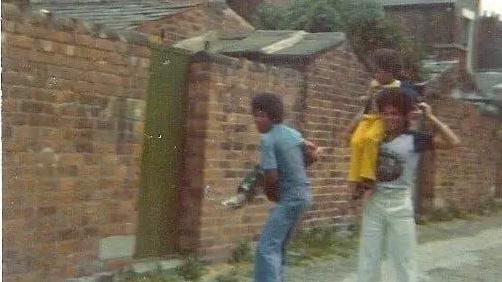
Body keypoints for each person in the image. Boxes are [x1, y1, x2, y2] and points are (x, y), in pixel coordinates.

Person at [357, 89, 460, 282]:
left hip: (400, 204)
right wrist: (365, 108)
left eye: (395, 113)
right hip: (374, 202)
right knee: (368, 256)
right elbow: (348, 137)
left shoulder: (415, 139)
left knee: (404, 258)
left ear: (405, 115)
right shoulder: (374, 137)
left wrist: (431, 117)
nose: (390, 118)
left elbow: (453, 141)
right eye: (385, 113)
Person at [248, 93, 313, 282]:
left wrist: (270, 193)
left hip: (290, 199)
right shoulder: (292, 133)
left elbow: (272, 176)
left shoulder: (267, 139)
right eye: (255, 115)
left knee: (266, 247)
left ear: (273, 116)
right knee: (279, 246)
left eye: (262, 115)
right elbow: (310, 155)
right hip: (304, 196)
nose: (257, 120)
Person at [347, 48, 421, 200]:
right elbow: (368, 99)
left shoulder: (400, 87)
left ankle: (367, 179)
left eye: (379, 71)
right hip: (368, 118)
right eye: (374, 71)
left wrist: (416, 111)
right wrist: (365, 99)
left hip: (382, 120)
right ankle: (355, 180)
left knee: (370, 139)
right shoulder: (374, 84)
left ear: (390, 71)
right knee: (356, 141)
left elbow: (414, 102)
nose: (376, 75)